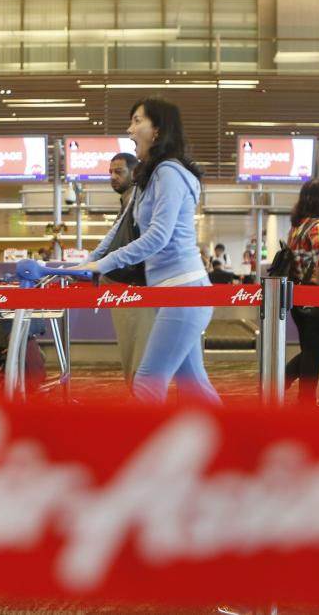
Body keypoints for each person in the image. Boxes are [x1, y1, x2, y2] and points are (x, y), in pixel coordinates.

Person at [72, 97, 220, 406]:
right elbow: (120, 228)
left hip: (185, 291)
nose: (129, 129)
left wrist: (105, 263)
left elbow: (158, 237)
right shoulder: (148, 177)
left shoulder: (169, 172)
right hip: (171, 292)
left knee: (147, 384)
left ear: (157, 130)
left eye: (137, 121)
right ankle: (239, 448)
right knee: (194, 387)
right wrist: (88, 262)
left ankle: (144, 450)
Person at [86, 151, 156, 385]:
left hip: (136, 287)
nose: (113, 177)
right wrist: (94, 260)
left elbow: (144, 242)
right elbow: (112, 238)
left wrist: (100, 262)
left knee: (138, 355)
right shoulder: (128, 200)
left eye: (119, 172)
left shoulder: (137, 200)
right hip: (127, 286)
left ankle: (143, 411)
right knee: (135, 353)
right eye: (110, 172)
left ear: (135, 173)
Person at [284, 179, 319, 407]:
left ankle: (293, 389)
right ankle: (304, 399)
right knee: (315, 350)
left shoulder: (296, 227)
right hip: (318, 298)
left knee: (310, 349)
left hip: (298, 297)